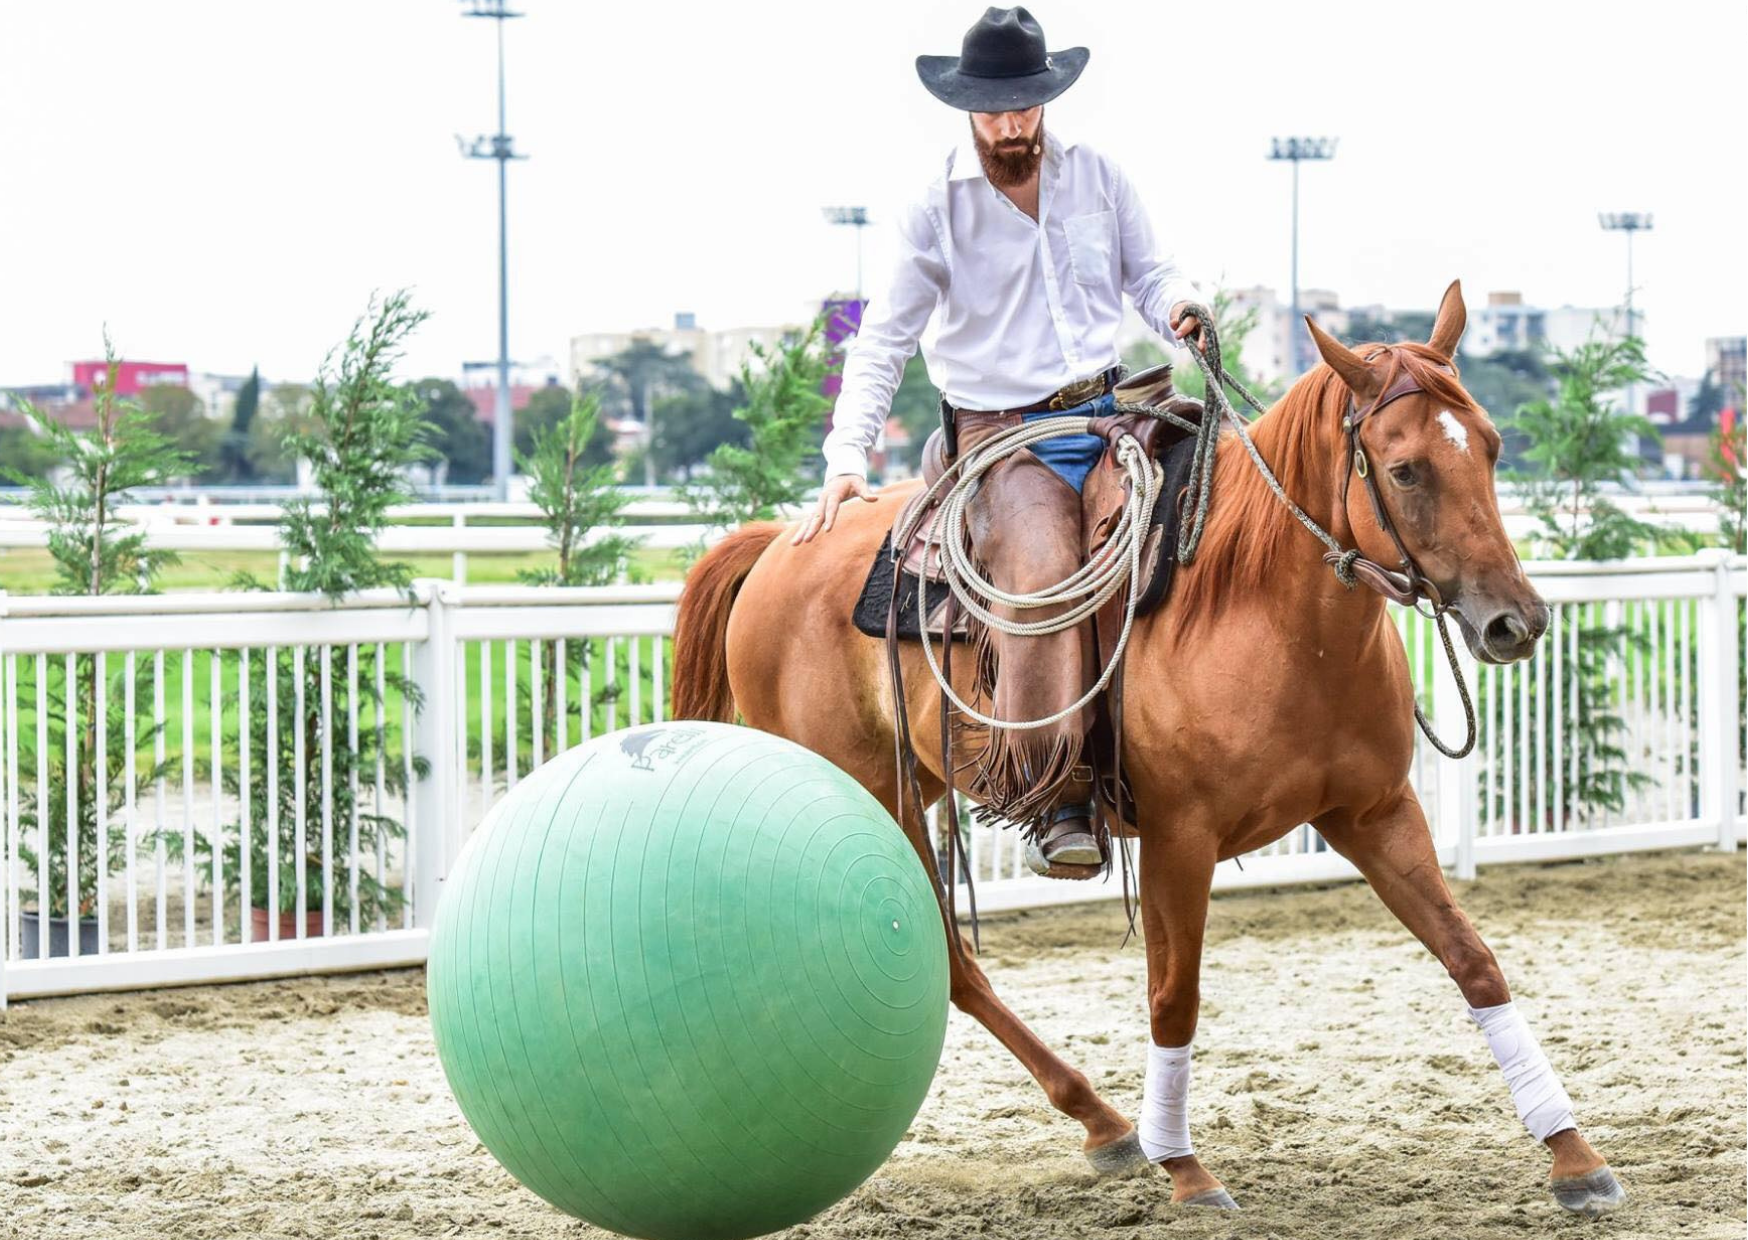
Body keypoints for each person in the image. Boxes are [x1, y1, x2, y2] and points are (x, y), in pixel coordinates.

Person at [795, 6, 1206, 875]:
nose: (1013, 124)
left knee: (1218, 495)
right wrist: (846, 456)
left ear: (1048, 98)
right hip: (998, 439)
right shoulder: (932, 208)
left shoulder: (1099, 177)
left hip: (1111, 409)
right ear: (966, 107)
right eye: (995, 110)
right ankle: (1056, 789)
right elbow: (884, 339)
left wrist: (1180, 310)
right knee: (1043, 557)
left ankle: (1198, 738)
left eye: (1026, 106)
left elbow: (1152, 275)